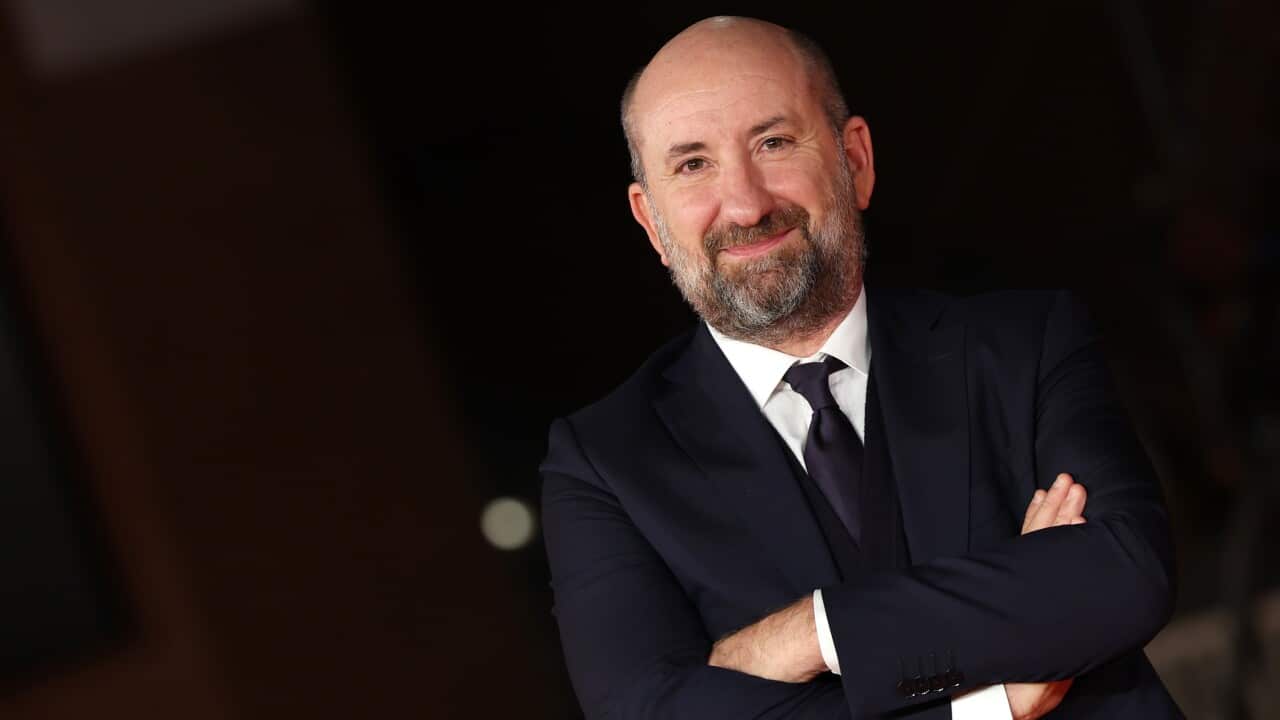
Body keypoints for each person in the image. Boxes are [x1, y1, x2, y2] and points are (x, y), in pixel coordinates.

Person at [540, 16, 1181, 720]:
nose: (748, 204)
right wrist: (989, 700)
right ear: (651, 222)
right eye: (693, 164)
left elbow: (1125, 575)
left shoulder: (1024, 343)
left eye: (774, 142)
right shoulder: (603, 465)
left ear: (856, 160)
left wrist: (808, 633)